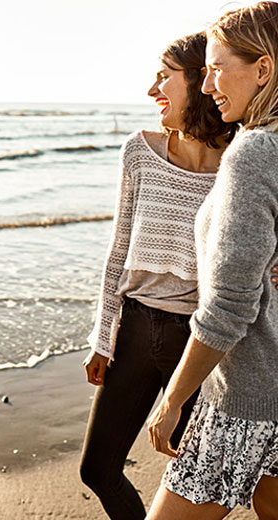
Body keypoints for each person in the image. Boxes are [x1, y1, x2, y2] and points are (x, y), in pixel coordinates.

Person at [79, 32, 237, 520]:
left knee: (196, 480)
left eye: (164, 77)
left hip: (199, 345)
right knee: (98, 469)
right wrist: (103, 337)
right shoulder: (140, 151)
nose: (152, 91)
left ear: (199, 82)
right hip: (133, 331)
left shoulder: (241, 164)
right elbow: (118, 250)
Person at [146, 3, 278, 519]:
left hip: (245, 397)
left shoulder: (253, 153)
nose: (206, 86)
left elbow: (229, 307)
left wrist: (175, 398)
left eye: (217, 67)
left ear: (263, 69)